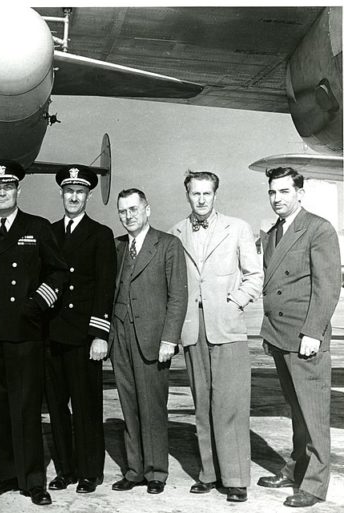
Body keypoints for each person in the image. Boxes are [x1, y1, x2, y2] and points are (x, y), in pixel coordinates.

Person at [0, 160, 68, 506]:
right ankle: (5, 476)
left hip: (25, 332)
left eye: (7, 187)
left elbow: (57, 272)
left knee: (26, 407)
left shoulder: (36, 227)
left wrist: (37, 303)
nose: (2, 192)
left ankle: (33, 480)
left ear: (17, 190)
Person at [170, 171, 263, 503]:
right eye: (195, 194)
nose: (201, 199)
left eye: (207, 193)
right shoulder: (176, 233)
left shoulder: (237, 227)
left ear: (215, 195)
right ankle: (209, 473)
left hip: (228, 331)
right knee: (202, 406)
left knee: (231, 405)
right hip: (193, 332)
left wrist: (235, 303)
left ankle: (235, 478)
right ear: (187, 195)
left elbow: (254, 276)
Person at [257, 167, 341, 508]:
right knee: (296, 410)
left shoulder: (318, 229)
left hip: (304, 336)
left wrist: (313, 332)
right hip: (279, 336)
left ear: (300, 193)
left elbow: (327, 287)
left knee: (314, 413)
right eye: (273, 193)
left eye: (284, 192)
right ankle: (296, 468)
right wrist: (268, 333)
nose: (278, 198)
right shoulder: (272, 232)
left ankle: (315, 485)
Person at [109, 188, 187, 495]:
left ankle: (156, 472)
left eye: (134, 209)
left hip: (154, 340)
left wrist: (170, 338)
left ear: (147, 210)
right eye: (123, 211)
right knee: (129, 406)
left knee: (153, 408)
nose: (129, 216)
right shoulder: (116, 247)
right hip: (121, 337)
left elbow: (178, 296)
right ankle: (134, 469)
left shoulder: (167, 244)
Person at [44, 165, 116, 494]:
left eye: (80, 192)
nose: (74, 197)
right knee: (57, 407)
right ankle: (65, 470)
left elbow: (104, 287)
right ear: (62, 194)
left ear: (88, 196)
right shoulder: (50, 233)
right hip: (53, 336)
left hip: (84, 337)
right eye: (69, 191)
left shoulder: (99, 234)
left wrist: (100, 334)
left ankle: (89, 472)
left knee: (86, 406)